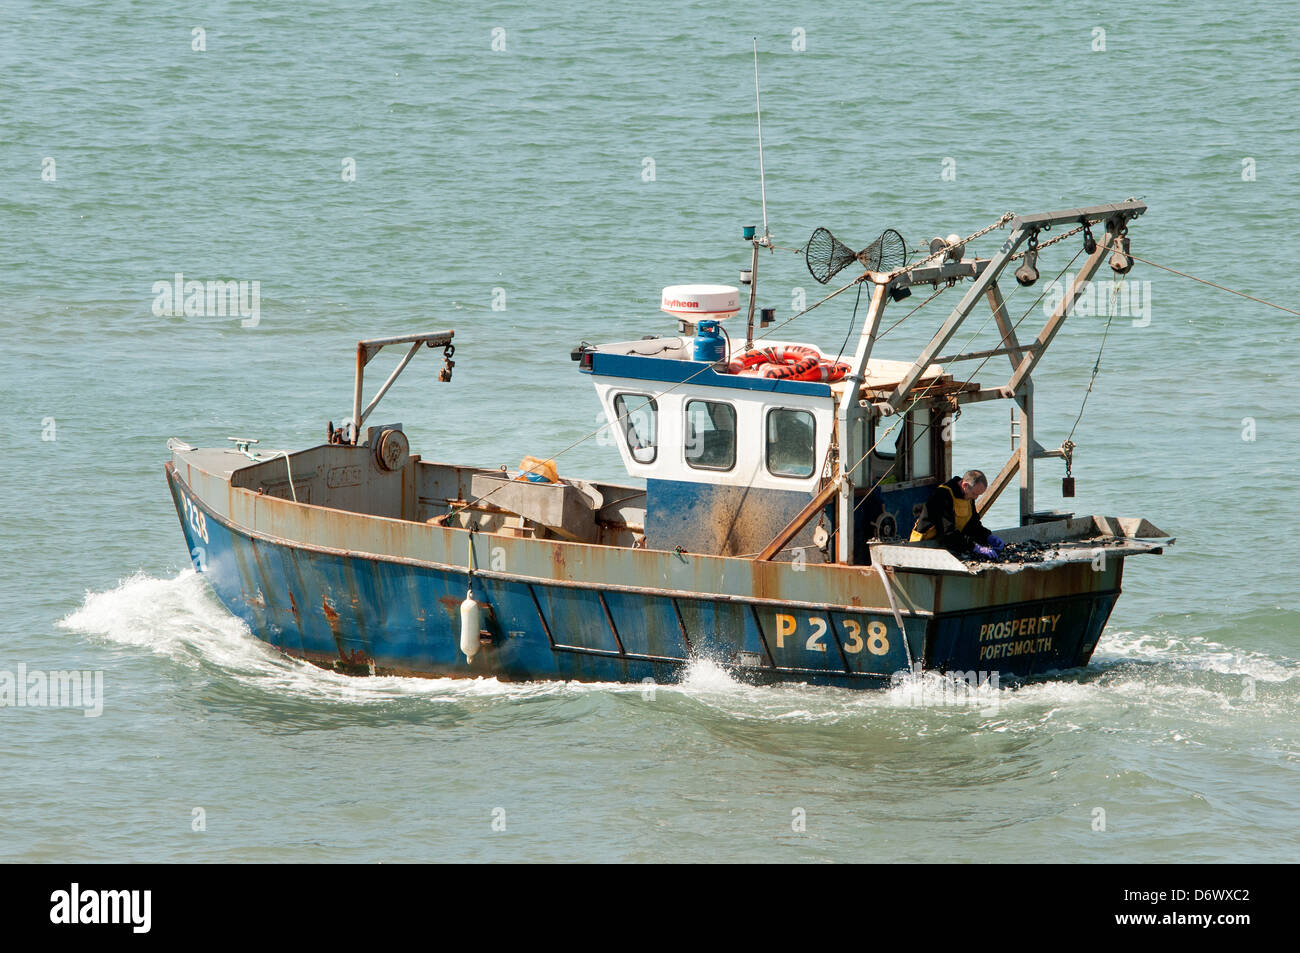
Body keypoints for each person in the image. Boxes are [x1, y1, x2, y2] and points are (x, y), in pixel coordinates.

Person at [909, 469, 1005, 559]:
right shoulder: (942, 495)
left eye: (978, 495)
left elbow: (973, 525)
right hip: (922, 547)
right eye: (974, 494)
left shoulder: (968, 496)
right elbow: (948, 533)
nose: (975, 498)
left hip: (948, 544)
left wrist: (988, 537)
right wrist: (975, 547)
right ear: (965, 485)